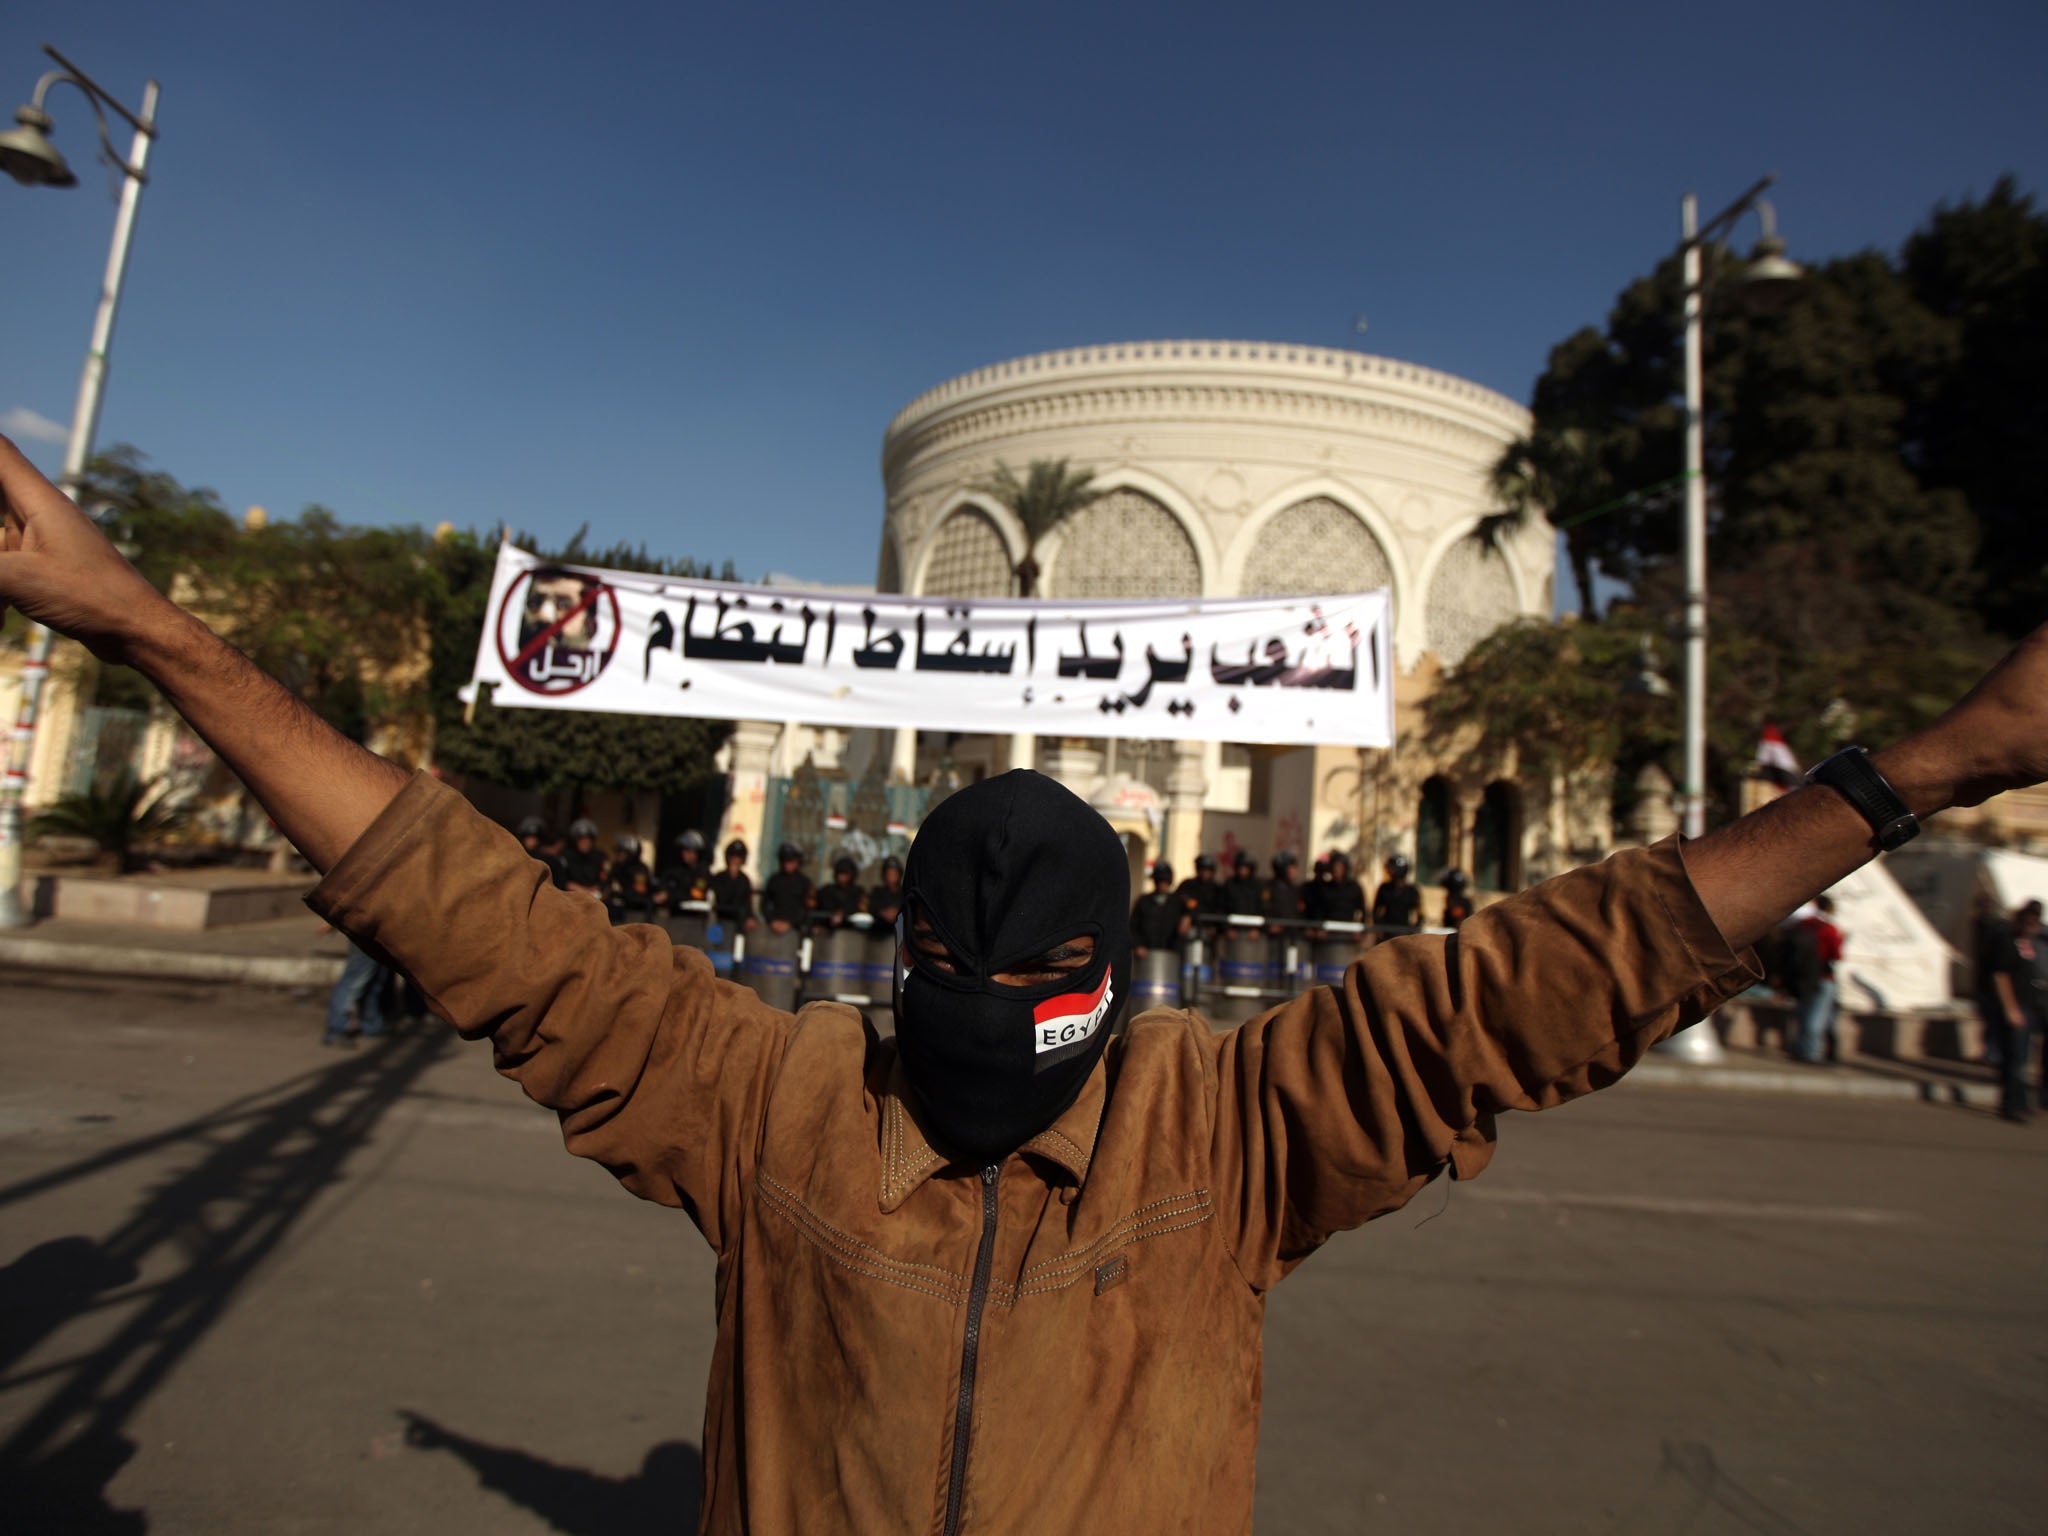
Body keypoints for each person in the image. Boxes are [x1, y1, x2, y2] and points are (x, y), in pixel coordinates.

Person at [6, 434, 2047, 1532]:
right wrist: (134, 626)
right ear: (896, 963)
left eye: (1042, 976)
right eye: (949, 973)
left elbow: (1557, 977)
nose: (988, 1018)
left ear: (1121, 972)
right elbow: (457, 899)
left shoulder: (1223, 1134)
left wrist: (1926, 764)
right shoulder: (779, 1104)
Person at [1989, 899, 2047, 1123]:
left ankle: (2023, 1101)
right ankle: (2011, 1105)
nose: (2032, 926)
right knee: (2016, 1057)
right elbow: (2000, 976)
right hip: (2018, 1006)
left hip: (2033, 1006)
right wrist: (2011, 1009)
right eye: (2029, 921)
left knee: (2025, 1057)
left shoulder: (2031, 944)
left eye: (2035, 922)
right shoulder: (2008, 942)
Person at [1785, 895, 1845, 1064]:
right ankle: (1811, 1053)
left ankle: (1800, 1047)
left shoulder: (1800, 926)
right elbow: (1837, 955)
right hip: (1824, 976)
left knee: (1804, 1012)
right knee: (1818, 1016)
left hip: (1802, 976)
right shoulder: (1829, 929)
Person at [321, 937, 390, 1047]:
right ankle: (336, 1028)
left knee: (373, 981)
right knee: (354, 979)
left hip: (379, 934)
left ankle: (372, 1025)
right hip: (367, 933)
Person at [1129, 860, 1190, 957]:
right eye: (1159, 881)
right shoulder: (1144, 901)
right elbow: (1132, 927)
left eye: (1165, 881)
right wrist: (1138, 945)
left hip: (1171, 956)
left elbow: (1190, 918)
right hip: (1146, 955)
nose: (1162, 884)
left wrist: (1187, 917)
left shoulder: (1178, 902)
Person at [760, 842, 813, 933]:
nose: (787, 865)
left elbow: (806, 908)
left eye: (791, 861)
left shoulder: (804, 882)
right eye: (784, 860)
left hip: (795, 930)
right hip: (773, 928)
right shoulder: (774, 880)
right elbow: (765, 904)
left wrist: (791, 923)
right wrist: (772, 921)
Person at [606, 833, 657, 924]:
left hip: (635, 914)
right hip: (615, 913)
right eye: (617, 852)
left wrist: (622, 893)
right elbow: (608, 884)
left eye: (622, 852)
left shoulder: (640, 870)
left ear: (631, 854)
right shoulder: (616, 867)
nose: (618, 855)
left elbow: (639, 892)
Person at [658, 829, 711, 912]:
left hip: (693, 918)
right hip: (672, 915)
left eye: (691, 851)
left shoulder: (702, 873)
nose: (687, 854)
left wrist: (671, 896)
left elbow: (697, 895)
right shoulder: (673, 871)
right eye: (685, 850)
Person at [709, 838, 755, 932]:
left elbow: (747, 902)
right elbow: (720, 897)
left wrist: (750, 917)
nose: (735, 860)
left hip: (737, 924)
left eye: (738, 857)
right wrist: (731, 878)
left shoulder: (744, 880)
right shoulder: (719, 877)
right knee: (713, 944)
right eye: (733, 856)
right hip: (718, 921)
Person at [1372, 852, 1422, 934]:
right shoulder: (1384, 888)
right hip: (1387, 935)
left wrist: (1412, 931)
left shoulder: (1412, 891)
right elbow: (1376, 912)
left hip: (1405, 935)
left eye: (1392, 868)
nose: (1389, 871)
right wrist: (1380, 928)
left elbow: (1419, 914)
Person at [516, 815, 568, 891]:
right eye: (529, 837)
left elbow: (560, 886)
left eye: (535, 837)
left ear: (540, 838)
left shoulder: (551, 860)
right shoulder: (517, 858)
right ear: (523, 837)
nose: (532, 841)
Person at [814, 855, 866, 928]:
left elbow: (860, 908)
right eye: (840, 874)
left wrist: (844, 913)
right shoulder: (827, 891)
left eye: (846, 874)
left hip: (852, 931)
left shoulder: (858, 892)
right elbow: (822, 907)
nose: (842, 877)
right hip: (828, 931)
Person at [560, 817, 607, 897]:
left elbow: (604, 879)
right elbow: (562, 881)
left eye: (587, 839)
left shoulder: (599, 857)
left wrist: (598, 888)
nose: (584, 843)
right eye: (581, 839)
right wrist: (582, 890)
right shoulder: (566, 857)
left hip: (594, 898)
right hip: (571, 898)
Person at [1320, 852, 1368, 925]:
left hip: (1349, 931)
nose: (1336, 869)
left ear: (1345, 868)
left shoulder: (1354, 887)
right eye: (1334, 866)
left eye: (1339, 866)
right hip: (1328, 930)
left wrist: (1359, 929)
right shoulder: (1325, 888)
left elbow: (1361, 911)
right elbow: (1319, 910)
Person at [1264, 850, 1305, 929]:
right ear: (1282, 870)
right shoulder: (1269, 888)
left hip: (1293, 934)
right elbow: (1265, 909)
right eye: (1292, 867)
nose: (1295, 871)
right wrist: (1269, 925)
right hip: (1274, 935)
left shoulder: (1297, 889)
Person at [1221, 850, 1265, 919]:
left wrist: (1259, 928)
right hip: (1233, 925)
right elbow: (1222, 907)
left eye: (1246, 868)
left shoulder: (1258, 885)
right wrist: (1227, 927)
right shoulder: (1229, 884)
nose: (1243, 871)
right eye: (1240, 867)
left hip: (1254, 925)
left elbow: (1264, 907)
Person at [868, 855, 906, 928]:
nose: (892, 876)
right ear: (884, 875)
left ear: (899, 874)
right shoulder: (877, 892)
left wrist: (897, 912)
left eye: (894, 874)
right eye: (889, 874)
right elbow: (871, 908)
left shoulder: (905, 893)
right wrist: (882, 913)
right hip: (880, 931)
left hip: (900, 931)